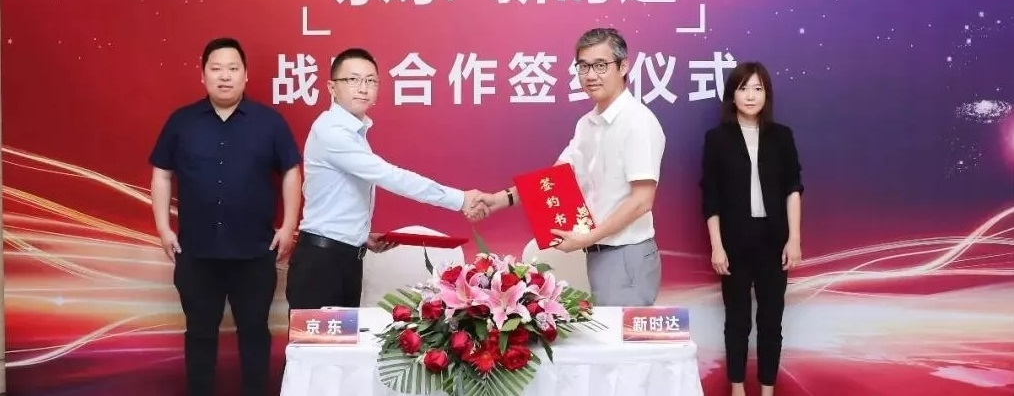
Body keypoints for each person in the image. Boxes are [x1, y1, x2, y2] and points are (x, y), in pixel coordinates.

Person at [149, 37, 302, 396]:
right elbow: (161, 174)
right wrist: (163, 227)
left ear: (246, 75)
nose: (224, 76)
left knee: (255, 334)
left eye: (233, 68)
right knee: (199, 334)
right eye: (216, 69)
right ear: (202, 75)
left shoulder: (269, 123)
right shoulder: (182, 122)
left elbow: (291, 172)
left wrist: (289, 225)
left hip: (254, 253)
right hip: (196, 253)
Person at [284, 47, 493, 310]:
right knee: (317, 338)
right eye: (353, 80)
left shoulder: (353, 130)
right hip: (321, 266)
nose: (363, 88)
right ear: (331, 87)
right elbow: (391, 177)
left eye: (371, 80)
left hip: (344, 258)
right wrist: (460, 200)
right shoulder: (332, 131)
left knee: (343, 338)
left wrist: (360, 236)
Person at [483, 27, 665, 306]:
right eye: (583, 66)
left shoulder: (638, 122)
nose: (590, 75)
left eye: (600, 65)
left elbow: (642, 201)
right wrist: (499, 199)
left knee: (620, 334)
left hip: (626, 255)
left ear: (623, 66)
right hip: (600, 252)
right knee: (606, 331)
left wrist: (587, 238)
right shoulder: (587, 124)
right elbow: (555, 178)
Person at [699, 61, 803, 396]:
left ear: (767, 95)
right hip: (734, 244)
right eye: (743, 88)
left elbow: (793, 189)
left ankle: (768, 390)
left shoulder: (782, 136)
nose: (750, 95)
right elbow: (711, 197)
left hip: (774, 242)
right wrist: (717, 246)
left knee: (771, 320)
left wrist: (794, 239)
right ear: (732, 94)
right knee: (737, 320)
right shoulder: (717, 139)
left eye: (758, 88)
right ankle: (738, 389)